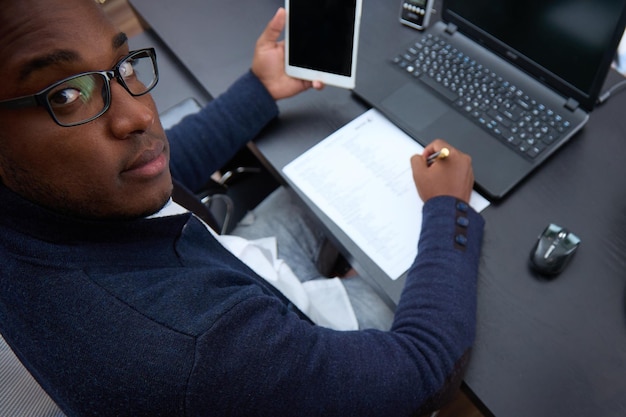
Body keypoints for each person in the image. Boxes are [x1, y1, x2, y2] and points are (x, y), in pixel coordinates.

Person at [0, 0, 485, 416]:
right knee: (428, 287)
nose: (141, 114)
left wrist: (259, 90)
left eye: (124, 68)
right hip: (277, 334)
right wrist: (449, 211)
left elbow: (155, 169)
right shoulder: (197, 348)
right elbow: (421, 370)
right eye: (66, 95)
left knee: (333, 182)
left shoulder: (40, 208)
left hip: (241, 267)